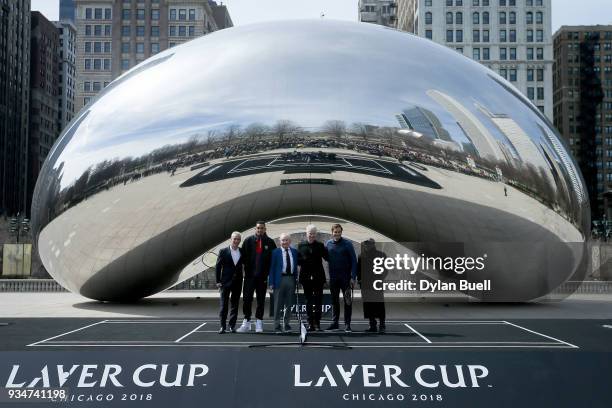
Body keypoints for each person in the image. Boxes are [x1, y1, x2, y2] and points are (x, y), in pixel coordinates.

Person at [237, 221, 277, 333]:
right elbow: (242, 258)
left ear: (265, 229)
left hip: (262, 278)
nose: (260, 230)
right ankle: (247, 322)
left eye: (262, 228)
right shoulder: (248, 241)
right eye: (258, 228)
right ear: (255, 229)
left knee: (261, 301)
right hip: (250, 277)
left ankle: (259, 321)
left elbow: (272, 260)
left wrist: (268, 274)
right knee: (247, 299)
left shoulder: (270, 242)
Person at [325, 224, 357, 332]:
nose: (337, 234)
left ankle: (347, 324)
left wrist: (353, 277)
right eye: (335, 232)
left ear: (341, 232)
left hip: (346, 279)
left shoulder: (348, 244)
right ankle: (335, 323)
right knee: (334, 301)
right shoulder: (328, 244)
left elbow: (354, 261)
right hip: (333, 278)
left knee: (347, 301)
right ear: (332, 232)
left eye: (339, 232)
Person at [297, 224, 328, 331]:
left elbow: (328, 257)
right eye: (310, 233)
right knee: (308, 301)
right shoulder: (301, 245)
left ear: (316, 234)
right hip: (306, 278)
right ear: (306, 234)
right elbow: (298, 261)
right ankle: (310, 323)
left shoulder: (320, 245)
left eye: (314, 234)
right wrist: (303, 259)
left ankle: (317, 323)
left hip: (318, 277)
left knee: (318, 300)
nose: (312, 236)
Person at [268, 233, 299, 333]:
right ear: (279, 241)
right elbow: (272, 268)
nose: (284, 242)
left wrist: (296, 278)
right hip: (279, 279)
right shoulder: (275, 252)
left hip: (291, 279)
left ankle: (287, 325)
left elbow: (295, 267)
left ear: (290, 241)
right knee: (277, 304)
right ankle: (277, 326)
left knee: (289, 304)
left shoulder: (294, 252)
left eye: (286, 240)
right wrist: (271, 282)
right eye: (283, 240)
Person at [215, 232, 244, 334]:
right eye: (234, 239)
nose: (236, 241)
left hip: (238, 282)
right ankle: (222, 327)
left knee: (235, 305)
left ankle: (232, 326)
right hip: (225, 282)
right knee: (224, 305)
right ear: (231, 239)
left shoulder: (242, 251)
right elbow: (218, 267)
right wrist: (218, 281)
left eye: (238, 239)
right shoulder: (223, 251)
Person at [357, 239, 388, 333]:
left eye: (369, 244)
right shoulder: (361, 256)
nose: (367, 246)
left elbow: (385, 269)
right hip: (366, 285)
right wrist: (360, 281)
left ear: (373, 244)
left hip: (377, 284)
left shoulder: (381, 255)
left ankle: (382, 325)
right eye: (366, 244)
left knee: (379, 304)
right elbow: (359, 270)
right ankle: (372, 325)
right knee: (368, 305)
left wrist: (380, 279)